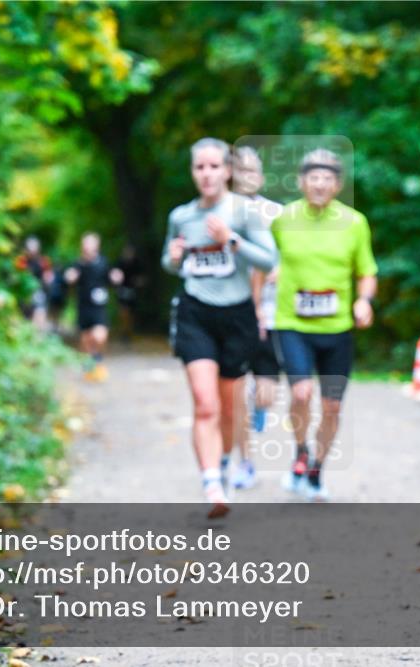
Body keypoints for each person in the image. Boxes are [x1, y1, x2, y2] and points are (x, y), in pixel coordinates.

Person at [162, 138, 278, 519]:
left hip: (237, 316)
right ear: (193, 173)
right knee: (205, 402)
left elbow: (268, 258)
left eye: (214, 167)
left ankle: (224, 461)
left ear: (227, 171)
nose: (207, 174)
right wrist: (175, 258)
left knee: (229, 409)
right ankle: (212, 481)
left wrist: (229, 240)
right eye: (200, 168)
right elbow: (171, 261)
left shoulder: (244, 211)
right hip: (195, 313)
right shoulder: (181, 216)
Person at [272, 148, 378, 502]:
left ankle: (316, 468)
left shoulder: (354, 223)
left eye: (327, 178)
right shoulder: (282, 219)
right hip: (292, 323)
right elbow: (263, 262)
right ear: (302, 182)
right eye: (313, 178)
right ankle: (301, 450)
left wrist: (364, 301)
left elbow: (367, 273)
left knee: (332, 407)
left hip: (337, 328)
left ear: (337, 184)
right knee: (301, 393)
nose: (319, 184)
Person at [231, 145, 285, 490]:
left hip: (271, 310)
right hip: (233, 310)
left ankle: (260, 408)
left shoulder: (277, 213)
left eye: (254, 170)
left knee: (265, 391)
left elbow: (292, 255)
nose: (249, 176)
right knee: (236, 391)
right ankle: (245, 462)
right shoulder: (222, 212)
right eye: (243, 170)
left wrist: (281, 269)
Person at [65, 233, 123, 382]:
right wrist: (70, 277)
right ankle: (90, 364)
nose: (88, 247)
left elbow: (111, 278)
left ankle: (96, 359)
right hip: (83, 305)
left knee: (99, 336)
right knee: (85, 338)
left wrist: (115, 277)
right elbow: (68, 279)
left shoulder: (103, 263)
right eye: (86, 243)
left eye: (91, 243)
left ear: (97, 245)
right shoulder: (77, 264)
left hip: (99, 306)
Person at [15, 235, 53, 331]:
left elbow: (48, 275)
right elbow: (16, 275)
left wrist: (47, 279)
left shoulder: (43, 261)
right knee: (22, 317)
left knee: (39, 314)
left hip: (38, 291)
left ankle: (37, 338)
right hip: (23, 293)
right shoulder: (21, 260)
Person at [113, 244, 143, 347]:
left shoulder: (136, 263)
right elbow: (114, 275)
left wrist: (139, 281)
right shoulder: (119, 263)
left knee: (131, 313)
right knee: (123, 312)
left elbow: (142, 277)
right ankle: (124, 332)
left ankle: (128, 331)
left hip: (133, 291)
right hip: (122, 291)